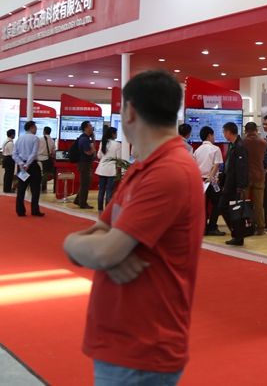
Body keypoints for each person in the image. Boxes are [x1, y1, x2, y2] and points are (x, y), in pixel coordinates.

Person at [63, 70, 204, 385]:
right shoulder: (145, 167)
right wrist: (96, 246)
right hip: (123, 341)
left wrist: (75, 244)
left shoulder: (169, 171)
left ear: (129, 111)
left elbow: (103, 250)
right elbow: (101, 235)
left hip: (142, 347)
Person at [219, 122, 249, 246]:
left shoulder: (239, 146)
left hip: (234, 185)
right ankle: (236, 234)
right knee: (230, 209)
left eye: (224, 132)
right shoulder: (233, 145)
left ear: (229, 132)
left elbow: (242, 168)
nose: (223, 134)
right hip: (229, 183)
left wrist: (241, 186)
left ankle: (238, 235)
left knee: (233, 209)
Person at [193, 126, 225, 236]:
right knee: (218, 202)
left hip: (200, 181)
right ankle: (212, 227)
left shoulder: (197, 150)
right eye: (213, 135)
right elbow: (216, 165)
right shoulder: (215, 149)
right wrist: (211, 177)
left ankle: (203, 228)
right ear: (209, 135)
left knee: (203, 205)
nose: (214, 137)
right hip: (211, 180)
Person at [13, 121, 45, 217]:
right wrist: (28, 164)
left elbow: (14, 154)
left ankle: (20, 211)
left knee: (21, 189)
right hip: (33, 166)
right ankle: (35, 210)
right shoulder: (35, 138)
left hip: (22, 167)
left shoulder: (19, 138)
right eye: (35, 127)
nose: (36, 129)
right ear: (31, 127)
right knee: (35, 189)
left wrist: (21, 163)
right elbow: (33, 153)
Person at [244, 122, 267, 235]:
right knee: (259, 204)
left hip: (246, 177)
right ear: (256, 130)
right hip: (259, 176)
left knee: (244, 203)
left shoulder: (242, 142)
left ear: (246, 131)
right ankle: (260, 228)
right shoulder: (263, 142)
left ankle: (245, 226)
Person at [95, 126, 121, 214]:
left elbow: (99, 156)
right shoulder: (117, 144)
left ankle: (100, 210)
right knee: (109, 191)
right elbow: (119, 159)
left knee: (101, 190)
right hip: (111, 170)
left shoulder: (103, 143)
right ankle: (107, 211)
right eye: (116, 133)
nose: (116, 135)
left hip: (102, 169)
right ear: (113, 134)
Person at [73, 121, 98, 210]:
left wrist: (93, 138)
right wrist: (93, 151)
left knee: (85, 183)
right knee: (85, 184)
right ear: (86, 128)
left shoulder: (87, 138)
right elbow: (87, 152)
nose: (92, 127)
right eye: (90, 126)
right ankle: (83, 203)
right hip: (84, 164)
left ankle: (78, 200)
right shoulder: (84, 139)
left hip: (85, 163)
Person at [39, 126, 56, 194]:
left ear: (44, 131)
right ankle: (44, 189)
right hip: (47, 159)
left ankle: (38, 187)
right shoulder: (52, 141)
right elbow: (53, 152)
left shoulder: (39, 139)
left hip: (38, 159)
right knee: (45, 174)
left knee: (39, 174)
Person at [1, 129, 16, 194]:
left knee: (7, 174)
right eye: (14, 134)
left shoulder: (5, 141)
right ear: (12, 135)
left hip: (6, 159)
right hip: (9, 159)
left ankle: (6, 188)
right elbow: (13, 153)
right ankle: (7, 189)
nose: (15, 135)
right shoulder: (10, 143)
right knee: (9, 175)